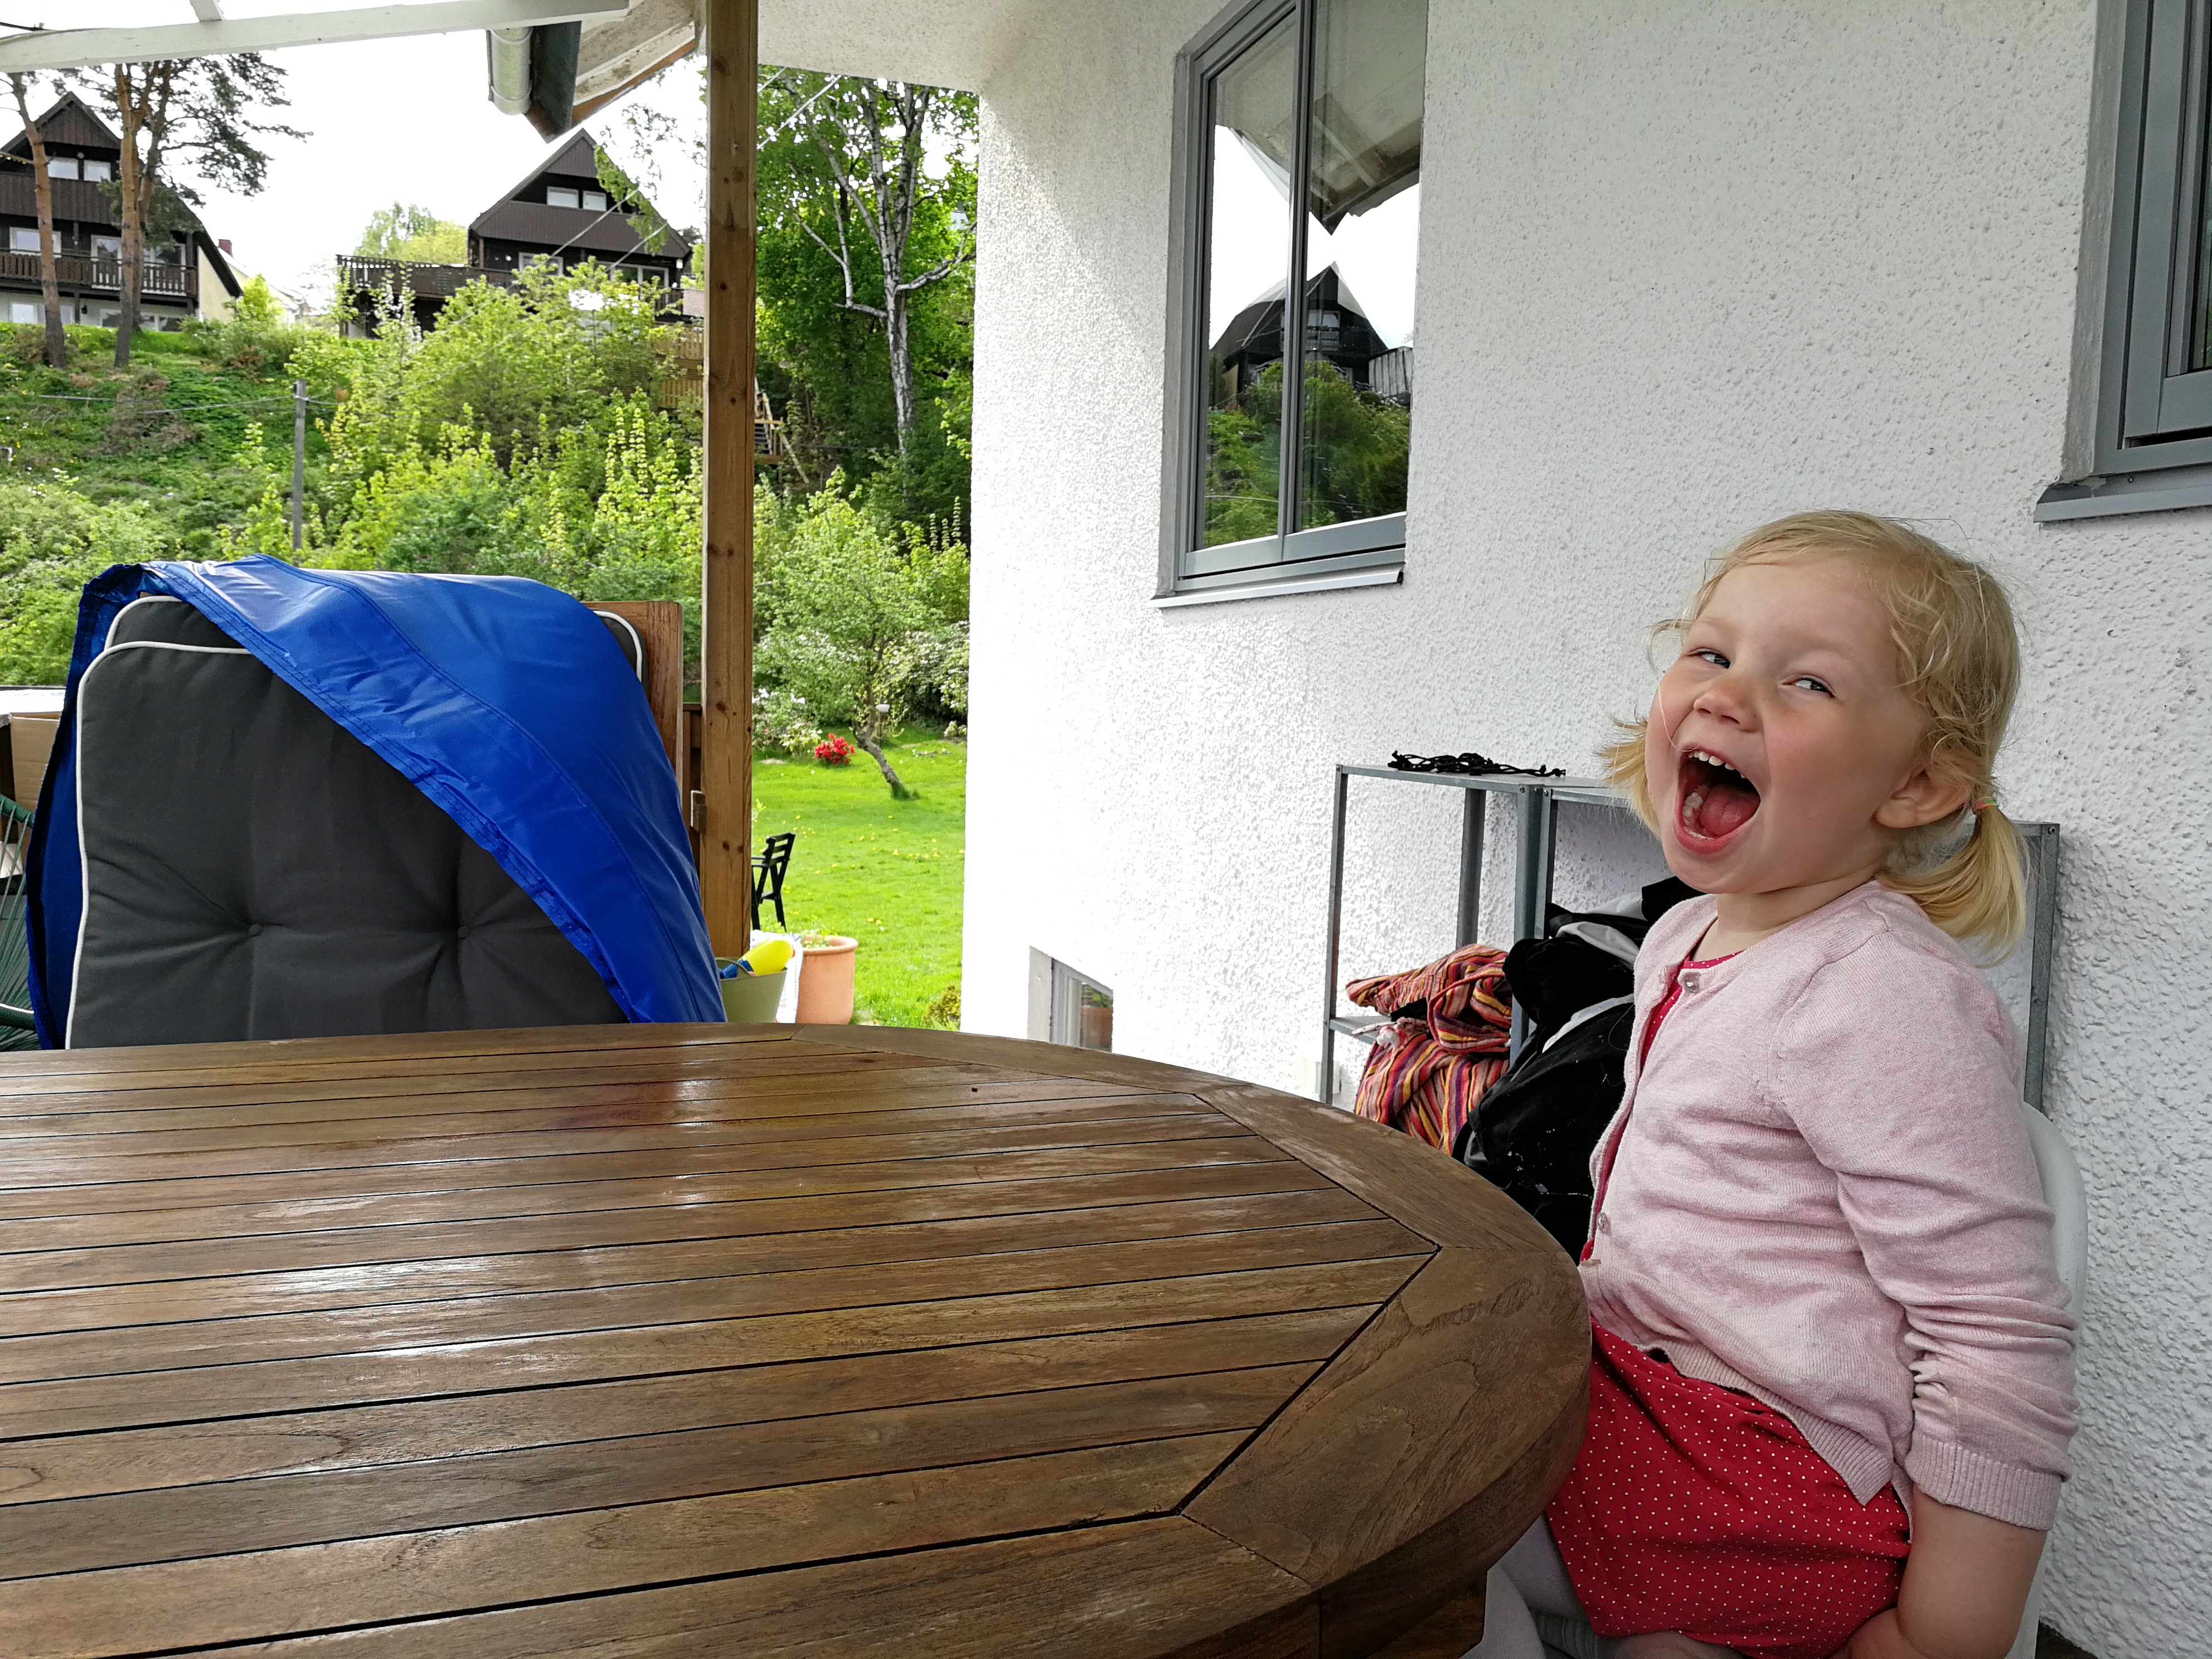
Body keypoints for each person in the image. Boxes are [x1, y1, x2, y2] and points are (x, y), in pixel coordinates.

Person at [1469, 512, 2077, 1659]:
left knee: (1403, 1506)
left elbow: (1993, 1331)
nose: (1726, 694)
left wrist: (1947, 1632)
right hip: (1649, 1399)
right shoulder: (1686, 933)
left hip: (1764, 1486)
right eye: (1711, 652)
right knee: (1406, 1422)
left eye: (1807, 682)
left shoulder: (1879, 995)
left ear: (1916, 784)